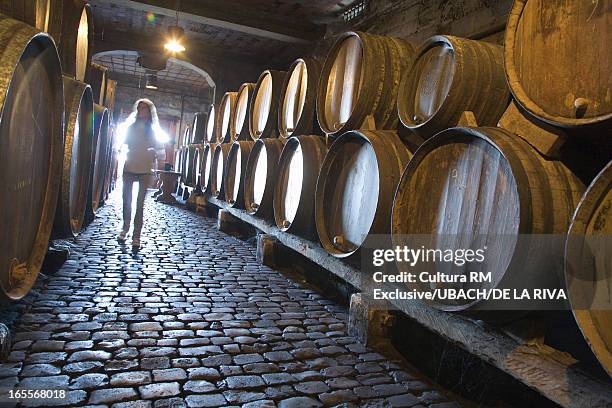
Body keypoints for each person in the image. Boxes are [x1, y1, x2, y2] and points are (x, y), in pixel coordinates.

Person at [118, 98, 166, 249]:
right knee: (126, 200)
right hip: (130, 165)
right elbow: (123, 143)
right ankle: (125, 229)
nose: (141, 111)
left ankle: (136, 236)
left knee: (140, 204)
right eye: (139, 108)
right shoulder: (131, 127)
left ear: (149, 112)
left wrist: (154, 156)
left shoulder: (152, 129)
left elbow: (159, 150)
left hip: (145, 168)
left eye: (144, 109)